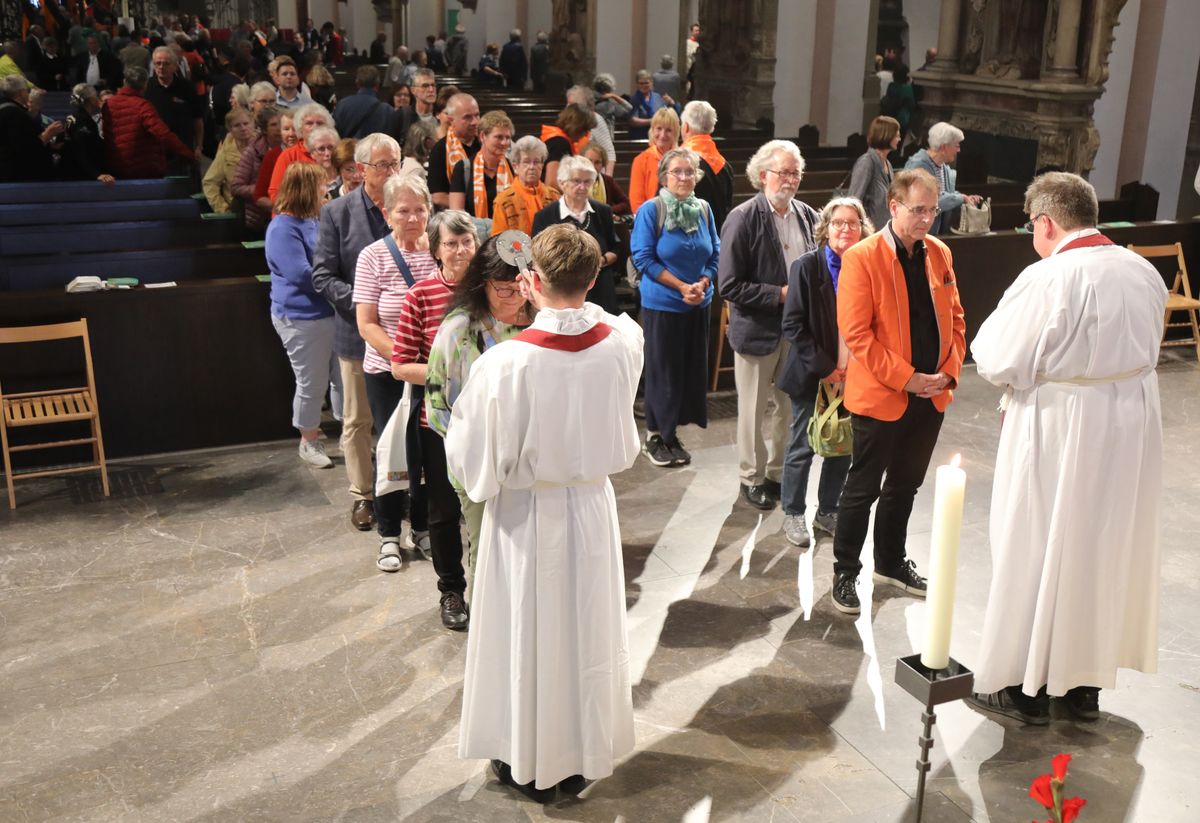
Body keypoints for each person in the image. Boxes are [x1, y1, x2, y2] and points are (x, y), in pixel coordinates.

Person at [446, 224, 644, 803]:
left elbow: (470, 456)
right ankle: (580, 753)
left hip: (525, 517)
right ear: (591, 279)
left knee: (525, 635)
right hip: (589, 507)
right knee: (586, 637)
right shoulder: (624, 340)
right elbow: (597, 323)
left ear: (531, 281)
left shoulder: (505, 365)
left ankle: (522, 752)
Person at [968, 172, 1168, 724]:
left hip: (1061, 425)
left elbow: (996, 357)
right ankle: (1084, 688)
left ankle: (1024, 688)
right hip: (1129, 425)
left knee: (1037, 541)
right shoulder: (1143, 269)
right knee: (1100, 549)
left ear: (1044, 222)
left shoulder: (1050, 276)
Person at [830, 168, 966, 615]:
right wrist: (907, 378)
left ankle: (889, 562)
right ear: (893, 207)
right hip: (884, 394)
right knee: (863, 488)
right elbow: (857, 335)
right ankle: (845, 572)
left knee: (905, 485)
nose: (927, 218)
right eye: (918, 210)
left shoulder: (940, 253)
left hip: (931, 394)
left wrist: (947, 373)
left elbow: (957, 319)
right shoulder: (862, 257)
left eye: (932, 209)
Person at [717, 140, 819, 509]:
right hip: (757, 329)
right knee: (753, 409)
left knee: (788, 408)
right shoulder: (743, 217)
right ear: (763, 176)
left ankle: (777, 473)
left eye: (796, 173)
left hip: (796, 331)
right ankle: (751, 477)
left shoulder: (808, 215)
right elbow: (727, 285)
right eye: (784, 172)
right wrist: (780, 294)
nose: (791, 180)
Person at [312, 133, 404, 533]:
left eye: (396, 163)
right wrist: (365, 305)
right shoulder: (338, 213)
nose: (391, 172)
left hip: (406, 334)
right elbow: (322, 275)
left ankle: (397, 492)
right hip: (357, 334)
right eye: (383, 165)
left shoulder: (409, 205)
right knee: (357, 421)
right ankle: (363, 496)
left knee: (401, 419)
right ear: (362, 169)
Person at [391, 209, 477, 630]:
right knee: (443, 512)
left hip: (489, 423)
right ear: (435, 249)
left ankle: (488, 587)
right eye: (451, 243)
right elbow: (400, 364)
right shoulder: (420, 295)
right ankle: (452, 591)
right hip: (440, 423)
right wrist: (455, 370)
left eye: (467, 242)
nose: (460, 250)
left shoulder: (494, 291)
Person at [425, 237, 532, 573]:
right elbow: (438, 404)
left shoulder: (540, 319)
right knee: (488, 557)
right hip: (480, 466)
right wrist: (475, 454)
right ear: (482, 283)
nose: (515, 298)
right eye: (504, 289)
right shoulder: (460, 329)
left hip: (531, 464)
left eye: (522, 287)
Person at [354, 176, 440, 575]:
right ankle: (389, 532)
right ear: (387, 214)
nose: (412, 217)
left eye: (419, 209)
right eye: (403, 210)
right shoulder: (372, 256)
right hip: (389, 372)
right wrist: (407, 358)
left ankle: (421, 527)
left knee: (427, 450)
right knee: (392, 450)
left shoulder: (439, 252)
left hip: (433, 372)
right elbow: (367, 324)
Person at [778, 197, 873, 547]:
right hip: (812, 373)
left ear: (862, 227)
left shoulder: (868, 265)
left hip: (856, 374)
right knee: (803, 444)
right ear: (826, 228)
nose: (845, 229)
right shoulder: (807, 267)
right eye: (837, 223)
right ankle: (793, 513)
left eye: (852, 223)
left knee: (843, 445)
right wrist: (825, 368)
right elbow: (793, 325)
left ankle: (827, 511)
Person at [630, 148, 719, 467]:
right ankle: (654, 436)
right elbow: (643, 258)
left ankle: (671, 434)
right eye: (677, 171)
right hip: (664, 303)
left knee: (687, 371)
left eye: (690, 172)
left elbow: (714, 253)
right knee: (663, 370)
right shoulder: (651, 210)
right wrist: (682, 287)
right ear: (663, 176)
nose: (684, 177)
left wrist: (703, 283)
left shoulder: (704, 208)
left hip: (698, 302)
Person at [266, 162, 341, 470]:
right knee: (312, 382)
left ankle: (350, 432)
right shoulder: (283, 228)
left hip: (329, 312)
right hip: (301, 317)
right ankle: (308, 441)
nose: (326, 191)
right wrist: (340, 287)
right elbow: (302, 275)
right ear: (306, 191)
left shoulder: (312, 221)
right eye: (321, 187)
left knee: (342, 379)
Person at [532, 155, 621, 313]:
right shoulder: (545, 216)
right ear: (562, 183)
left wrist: (601, 260)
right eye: (576, 181)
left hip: (600, 288)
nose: (582, 186)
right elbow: (536, 258)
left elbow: (616, 248)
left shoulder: (603, 211)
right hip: (560, 292)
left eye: (587, 182)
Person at [102, 67, 195, 179]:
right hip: (143, 169)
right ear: (145, 84)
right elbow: (163, 134)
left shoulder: (108, 104)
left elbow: (106, 135)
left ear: (124, 82)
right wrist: (188, 154)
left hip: (116, 168)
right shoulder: (143, 106)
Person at [904, 121, 982, 235]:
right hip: (916, 234)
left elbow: (945, 194)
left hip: (936, 235)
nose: (959, 150)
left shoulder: (943, 167)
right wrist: (961, 198)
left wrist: (967, 199)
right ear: (943, 147)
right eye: (956, 146)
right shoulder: (918, 166)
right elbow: (930, 201)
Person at [448, 109, 514, 229]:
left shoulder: (513, 167)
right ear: (483, 136)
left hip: (507, 237)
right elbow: (456, 216)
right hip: (473, 237)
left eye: (507, 137)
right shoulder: (463, 168)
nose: (504, 142)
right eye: (499, 137)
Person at [145, 45, 205, 172]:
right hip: (155, 153)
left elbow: (197, 119)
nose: (161, 67)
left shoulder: (187, 87)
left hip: (183, 151)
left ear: (175, 66)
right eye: (158, 63)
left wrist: (199, 146)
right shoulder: (146, 88)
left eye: (166, 63)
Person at [490, 135, 560, 237]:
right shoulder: (503, 200)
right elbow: (498, 242)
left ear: (542, 165)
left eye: (536, 162)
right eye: (526, 162)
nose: (532, 167)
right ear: (515, 167)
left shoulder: (555, 196)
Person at [681, 100, 733, 231]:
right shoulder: (725, 166)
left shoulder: (680, 162)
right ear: (712, 127)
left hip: (688, 239)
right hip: (718, 238)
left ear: (686, 127)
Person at [267, 102, 334, 202]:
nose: (314, 127)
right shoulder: (289, 155)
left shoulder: (337, 151)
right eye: (309, 123)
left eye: (320, 123)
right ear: (300, 129)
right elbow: (275, 194)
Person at [0, 76, 62, 182]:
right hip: (19, 177)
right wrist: (47, 135)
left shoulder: (6, 110)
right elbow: (25, 148)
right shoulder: (15, 114)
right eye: (26, 90)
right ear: (21, 93)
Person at [233, 104, 281, 232]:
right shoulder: (252, 151)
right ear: (264, 129)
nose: (279, 128)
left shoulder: (288, 149)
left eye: (281, 124)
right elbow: (236, 186)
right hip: (256, 217)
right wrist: (262, 188)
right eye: (274, 125)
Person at [428, 92, 480, 209]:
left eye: (477, 115)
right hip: (456, 218)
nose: (475, 122)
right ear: (451, 120)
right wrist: (473, 206)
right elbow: (438, 197)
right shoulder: (440, 149)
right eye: (467, 117)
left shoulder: (485, 145)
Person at [849, 116, 899, 231]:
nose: (899, 139)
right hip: (870, 231)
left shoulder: (887, 163)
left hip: (884, 229)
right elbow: (854, 200)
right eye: (896, 135)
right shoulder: (866, 162)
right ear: (886, 136)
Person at [203, 108, 256, 213]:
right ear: (230, 130)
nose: (243, 128)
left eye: (246, 123)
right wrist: (223, 209)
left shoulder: (263, 146)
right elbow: (209, 182)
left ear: (253, 124)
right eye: (237, 125)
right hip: (237, 209)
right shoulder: (226, 152)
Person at [628, 106, 679, 213]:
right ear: (652, 130)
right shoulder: (641, 160)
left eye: (668, 130)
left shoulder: (683, 160)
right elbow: (636, 202)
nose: (662, 135)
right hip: (651, 220)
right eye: (659, 128)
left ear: (675, 133)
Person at [58, 84, 112, 183]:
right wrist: (96, 174)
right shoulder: (83, 121)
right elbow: (80, 150)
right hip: (78, 177)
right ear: (91, 99)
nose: (98, 99)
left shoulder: (74, 117)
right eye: (96, 96)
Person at [566, 84, 616, 176]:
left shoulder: (595, 119)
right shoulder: (566, 120)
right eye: (567, 103)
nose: (567, 107)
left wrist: (608, 179)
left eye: (572, 104)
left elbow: (609, 151)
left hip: (593, 174)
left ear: (583, 105)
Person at [540, 102, 591, 190]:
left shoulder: (555, 139)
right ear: (576, 127)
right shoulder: (560, 144)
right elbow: (552, 183)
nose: (586, 134)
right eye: (585, 129)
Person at [333, 65, 391, 139]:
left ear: (357, 83)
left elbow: (336, 134)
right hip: (376, 149)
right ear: (377, 84)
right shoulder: (387, 110)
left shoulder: (342, 104)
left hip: (350, 149)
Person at [583, 144, 630, 216]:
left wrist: (607, 210)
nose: (592, 166)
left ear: (603, 164)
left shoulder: (608, 181)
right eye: (589, 161)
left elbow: (626, 204)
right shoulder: (574, 181)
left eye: (597, 162)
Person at [629, 69, 676, 141]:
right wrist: (652, 121)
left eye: (646, 83)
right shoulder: (634, 99)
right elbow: (632, 121)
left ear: (651, 83)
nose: (644, 85)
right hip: (640, 137)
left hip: (657, 137)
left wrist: (671, 104)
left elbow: (664, 114)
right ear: (637, 84)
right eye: (641, 83)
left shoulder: (657, 97)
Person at [879, 65, 916, 139]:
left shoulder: (891, 86)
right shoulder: (907, 89)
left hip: (889, 117)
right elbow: (912, 105)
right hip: (902, 120)